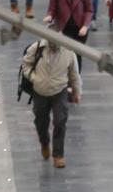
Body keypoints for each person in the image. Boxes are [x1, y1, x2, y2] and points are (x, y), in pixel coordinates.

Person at [21, 39, 82, 168]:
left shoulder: (69, 52)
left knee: (60, 121)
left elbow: (74, 74)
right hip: (40, 91)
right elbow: (25, 65)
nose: (54, 46)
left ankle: (58, 155)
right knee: (40, 121)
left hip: (60, 91)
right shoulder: (36, 47)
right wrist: (34, 78)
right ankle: (44, 142)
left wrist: (77, 92)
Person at [44, 0, 93, 69]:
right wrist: (49, 16)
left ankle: (76, 80)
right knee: (66, 54)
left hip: (80, 29)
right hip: (64, 28)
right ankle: (68, 80)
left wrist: (85, 26)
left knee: (77, 54)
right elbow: (52, 8)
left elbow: (89, 10)